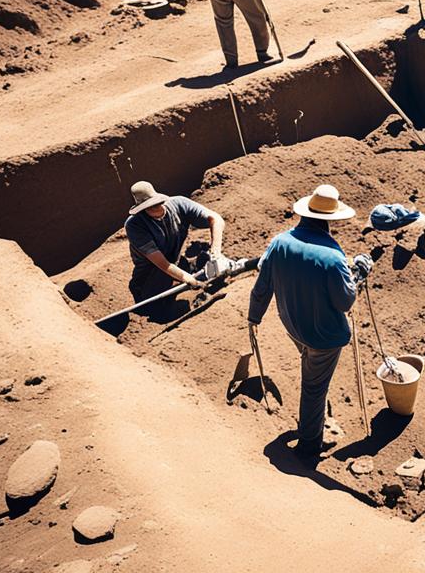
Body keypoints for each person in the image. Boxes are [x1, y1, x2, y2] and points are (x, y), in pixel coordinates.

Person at [247, 185, 373, 461]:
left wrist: (254, 316)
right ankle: (309, 445)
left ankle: (313, 420)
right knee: (314, 388)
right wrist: (358, 274)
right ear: (330, 219)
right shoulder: (333, 256)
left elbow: (262, 285)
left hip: (293, 325)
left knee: (310, 366)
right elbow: (345, 302)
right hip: (324, 336)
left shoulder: (279, 242)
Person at [123, 181, 226, 316]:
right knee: (155, 310)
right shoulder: (134, 225)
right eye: (149, 207)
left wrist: (216, 251)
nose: (155, 209)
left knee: (208, 263)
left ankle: (197, 268)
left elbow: (216, 219)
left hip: (176, 261)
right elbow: (162, 263)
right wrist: (186, 278)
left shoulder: (179, 204)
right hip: (150, 273)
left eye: (156, 204)